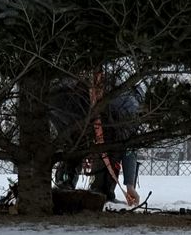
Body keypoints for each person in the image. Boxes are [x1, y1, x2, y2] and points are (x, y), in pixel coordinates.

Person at [50, 78, 142, 206]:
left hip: (56, 100)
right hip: (78, 104)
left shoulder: (122, 90)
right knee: (111, 148)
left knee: (73, 143)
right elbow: (128, 149)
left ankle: (64, 183)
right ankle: (101, 192)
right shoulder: (132, 107)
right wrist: (130, 186)